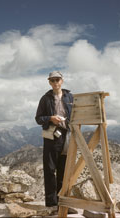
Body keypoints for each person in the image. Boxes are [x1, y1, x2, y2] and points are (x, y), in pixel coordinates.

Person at [35, 71, 73, 209]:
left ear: (62, 80)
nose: (55, 82)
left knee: (64, 170)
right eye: (52, 80)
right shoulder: (45, 99)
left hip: (67, 135)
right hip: (52, 136)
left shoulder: (70, 97)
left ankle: (62, 203)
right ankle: (51, 204)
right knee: (50, 170)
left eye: (57, 80)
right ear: (49, 82)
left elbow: (76, 115)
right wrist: (51, 118)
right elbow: (38, 118)